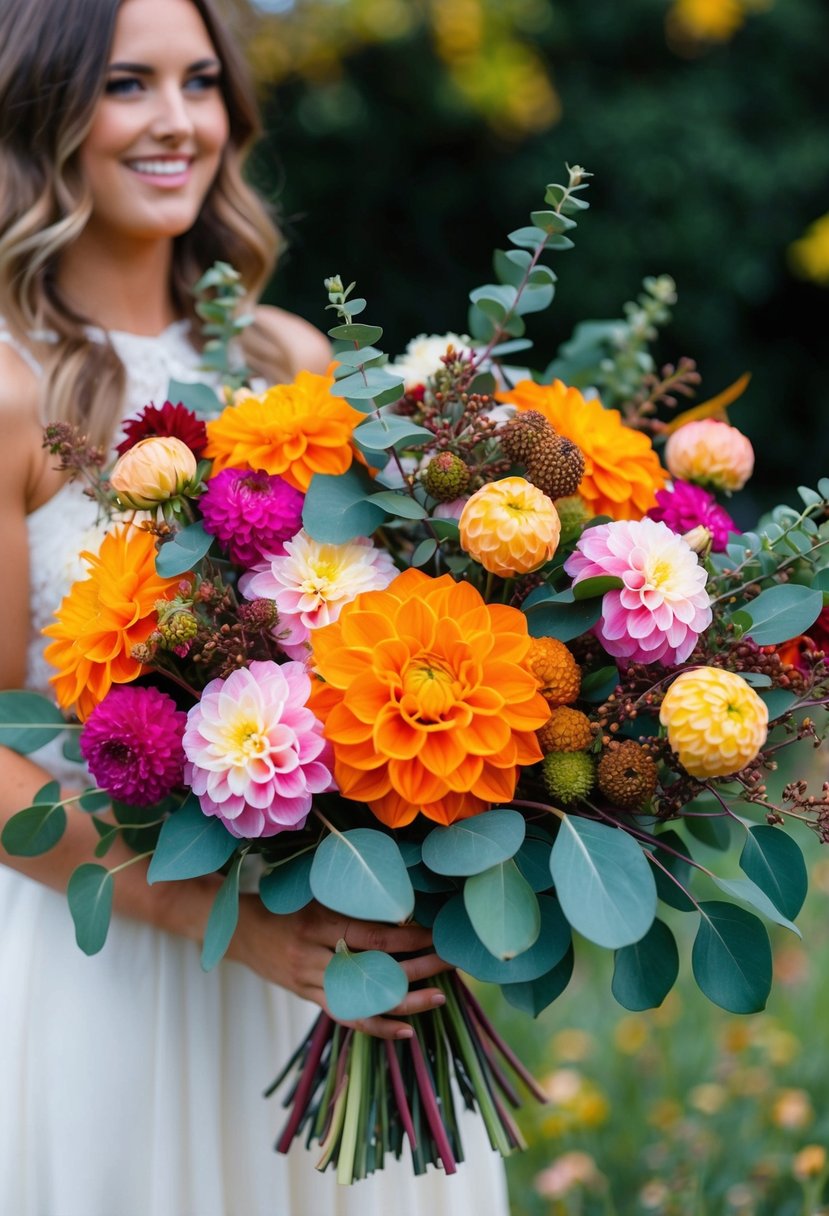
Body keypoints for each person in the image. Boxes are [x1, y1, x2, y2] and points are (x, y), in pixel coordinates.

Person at [0, 1, 511, 1212]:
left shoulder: (288, 359)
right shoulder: (12, 390)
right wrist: (225, 927)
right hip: (114, 955)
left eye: (201, 82)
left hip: (334, 940)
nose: (178, 122)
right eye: (128, 84)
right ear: (39, 110)